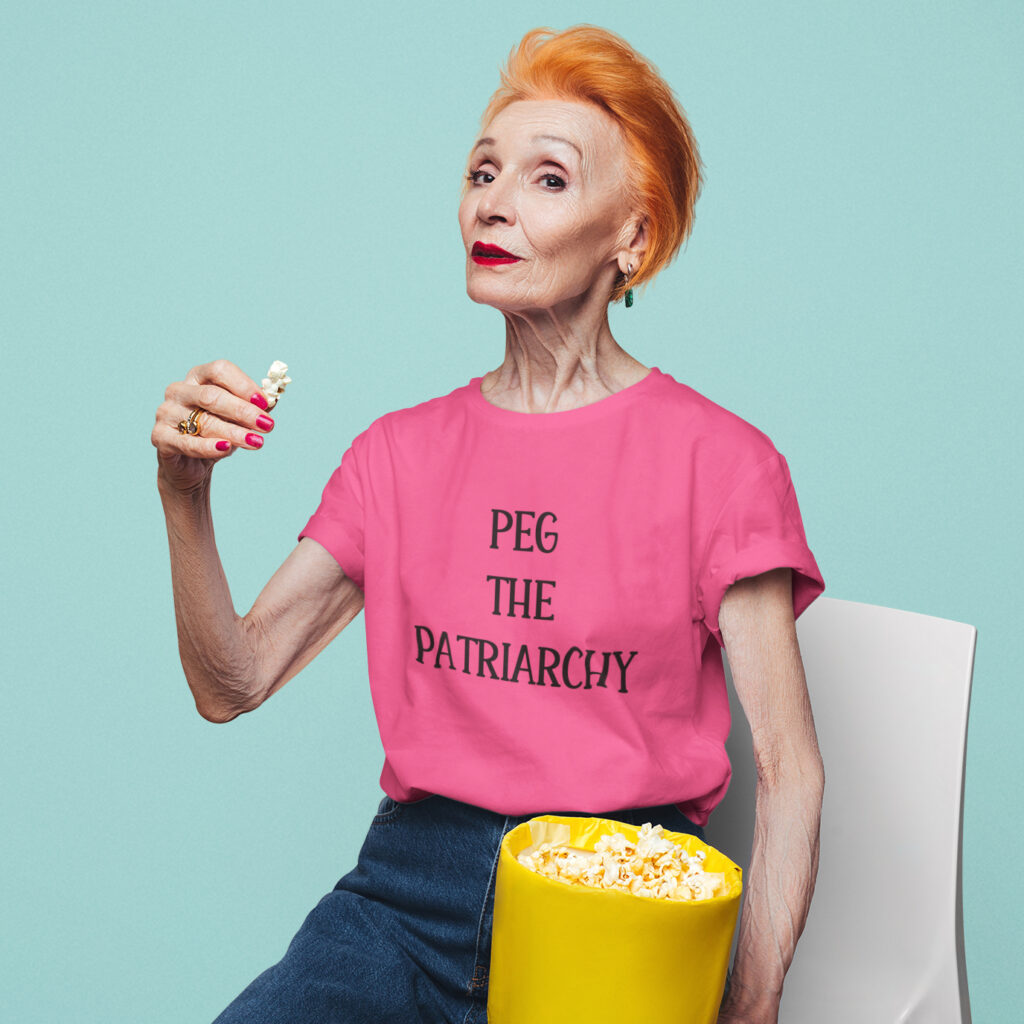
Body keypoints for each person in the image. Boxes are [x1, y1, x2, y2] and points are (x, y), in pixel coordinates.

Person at [151, 24, 826, 1024]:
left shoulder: (721, 463)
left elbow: (787, 765)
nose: (494, 203)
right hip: (406, 896)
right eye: (482, 172)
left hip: (619, 905)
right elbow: (230, 682)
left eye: (548, 180)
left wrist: (754, 1000)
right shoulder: (397, 454)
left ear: (631, 239)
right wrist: (183, 493)